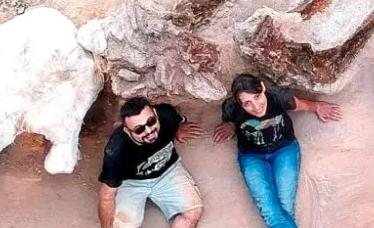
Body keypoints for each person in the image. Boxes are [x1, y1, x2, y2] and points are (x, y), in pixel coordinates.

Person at [214, 74, 342, 228]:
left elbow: (301, 105)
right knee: (271, 212)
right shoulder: (231, 107)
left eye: (257, 97)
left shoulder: (277, 96)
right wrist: (231, 125)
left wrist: (318, 107)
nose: (256, 107)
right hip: (252, 157)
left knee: (284, 207)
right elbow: (232, 121)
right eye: (247, 103)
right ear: (239, 103)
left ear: (263, 88)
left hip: (284, 150)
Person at [98, 98, 205, 228]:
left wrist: (178, 128)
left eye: (151, 122)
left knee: (193, 213)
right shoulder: (116, 150)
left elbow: (178, 118)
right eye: (139, 130)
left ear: (155, 113)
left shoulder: (166, 114)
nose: (149, 131)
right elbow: (106, 197)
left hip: (168, 171)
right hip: (132, 183)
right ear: (127, 131)